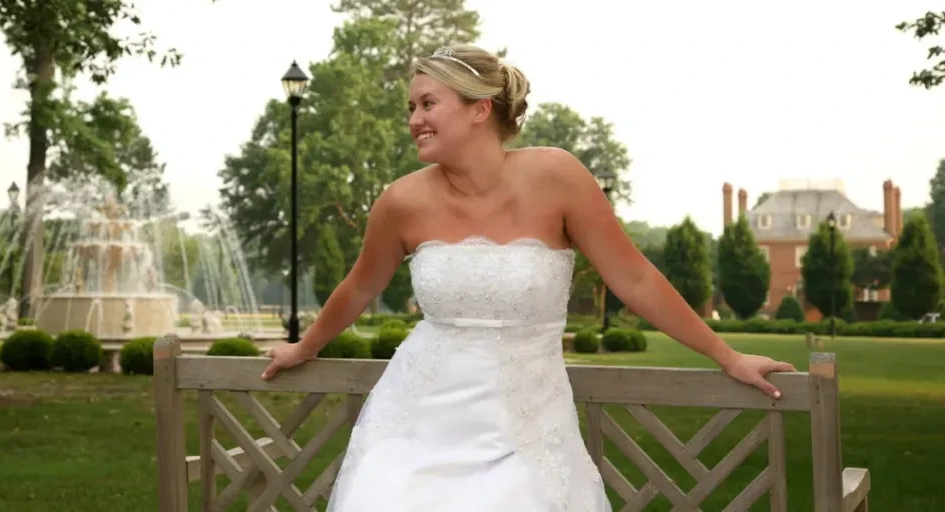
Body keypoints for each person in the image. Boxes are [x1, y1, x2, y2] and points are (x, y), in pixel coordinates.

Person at [261, 44, 795, 511]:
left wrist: (728, 355)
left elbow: (633, 279)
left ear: (479, 108)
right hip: (415, 424)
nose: (413, 119)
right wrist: (304, 347)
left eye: (427, 104)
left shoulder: (558, 177)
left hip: (526, 429)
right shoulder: (401, 201)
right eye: (411, 107)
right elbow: (359, 287)